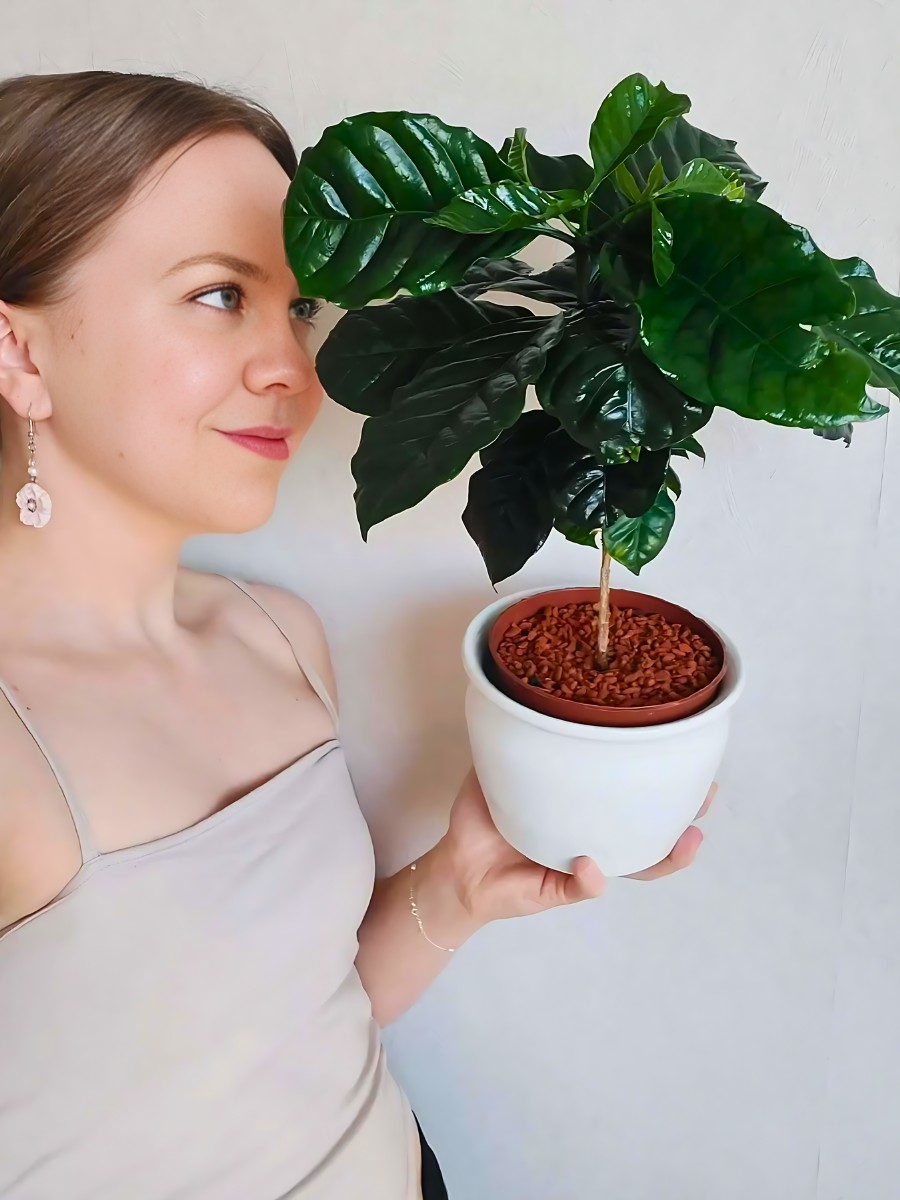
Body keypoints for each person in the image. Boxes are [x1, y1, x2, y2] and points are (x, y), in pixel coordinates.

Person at [0, 70, 714, 1200]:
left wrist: (465, 881)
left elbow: (291, 1025)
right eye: (217, 295)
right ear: (20, 356)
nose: (295, 367)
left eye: (297, 307)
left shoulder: (276, 635)